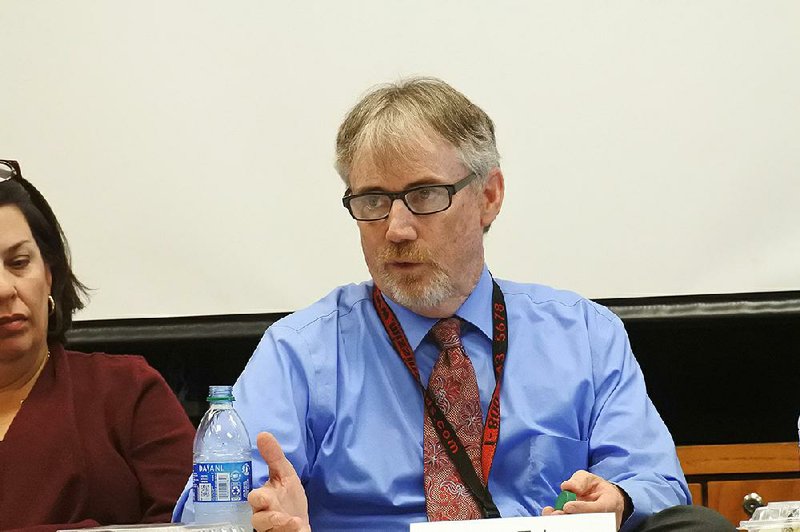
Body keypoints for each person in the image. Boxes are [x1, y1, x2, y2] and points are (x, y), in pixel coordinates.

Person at [174, 78, 735, 531]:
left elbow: (659, 483)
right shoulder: (302, 352)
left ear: (488, 197)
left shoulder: (583, 335)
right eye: (372, 200)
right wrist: (257, 517)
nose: (395, 229)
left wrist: (618, 499)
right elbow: (203, 511)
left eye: (423, 196)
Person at [0, 159, 196, 531]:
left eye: (19, 262)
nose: (4, 289)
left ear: (49, 273)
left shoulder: (126, 391)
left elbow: (196, 522)